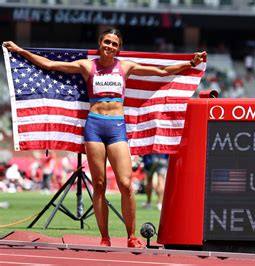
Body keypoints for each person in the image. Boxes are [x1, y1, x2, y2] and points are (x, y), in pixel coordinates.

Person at [3, 28, 206, 248]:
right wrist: (20, 50)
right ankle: (105, 238)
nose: (110, 46)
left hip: (117, 127)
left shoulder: (125, 66)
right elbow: (49, 65)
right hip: (94, 126)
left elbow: (162, 72)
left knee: (126, 184)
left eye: (114, 44)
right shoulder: (87, 66)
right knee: (98, 185)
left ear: (119, 47)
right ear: (100, 43)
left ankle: (131, 236)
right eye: (107, 42)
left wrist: (190, 63)